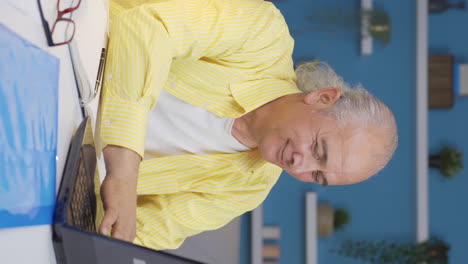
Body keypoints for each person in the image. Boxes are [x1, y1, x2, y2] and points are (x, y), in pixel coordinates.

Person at [94, 0, 398, 250]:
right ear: (323, 97)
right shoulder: (264, 35)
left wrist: (108, 237)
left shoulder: (248, 189)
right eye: (318, 148)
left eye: (316, 175)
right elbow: (149, 27)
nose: (299, 164)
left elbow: (143, 232)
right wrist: (123, 171)